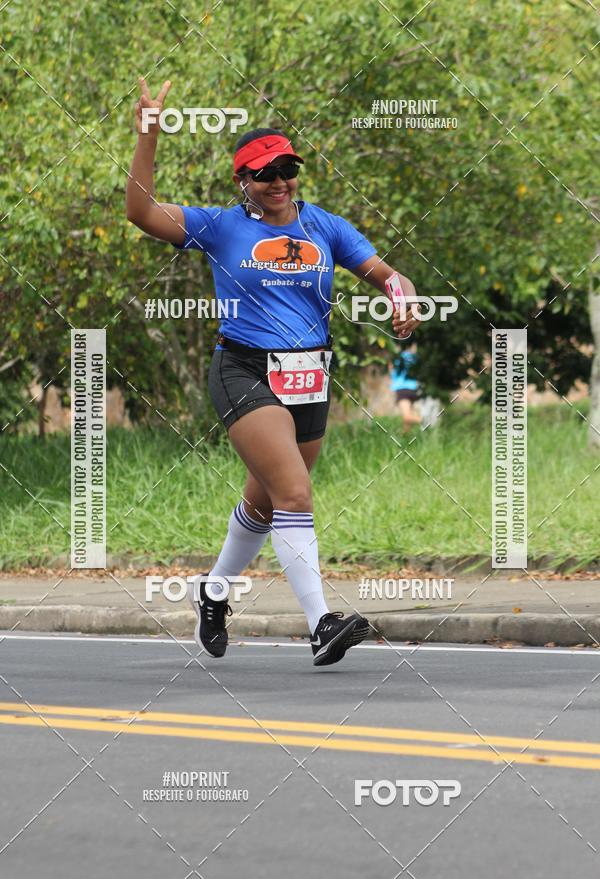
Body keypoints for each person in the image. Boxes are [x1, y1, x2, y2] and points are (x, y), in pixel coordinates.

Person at [126, 79, 421, 666]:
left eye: (288, 167)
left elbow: (387, 274)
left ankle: (212, 591)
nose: (280, 180)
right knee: (294, 491)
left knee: (266, 502)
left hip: (309, 374)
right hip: (243, 369)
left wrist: (400, 291)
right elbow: (140, 212)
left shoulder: (326, 227)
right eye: (265, 172)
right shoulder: (219, 226)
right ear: (244, 182)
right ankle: (321, 624)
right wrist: (148, 133)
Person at [390, 344, 421, 433]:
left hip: (402, 389)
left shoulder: (396, 358)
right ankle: (405, 439)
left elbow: (391, 372)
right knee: (407, 421)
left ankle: (428, 421)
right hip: (413, 389)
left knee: (407, 417)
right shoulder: (414, 357)